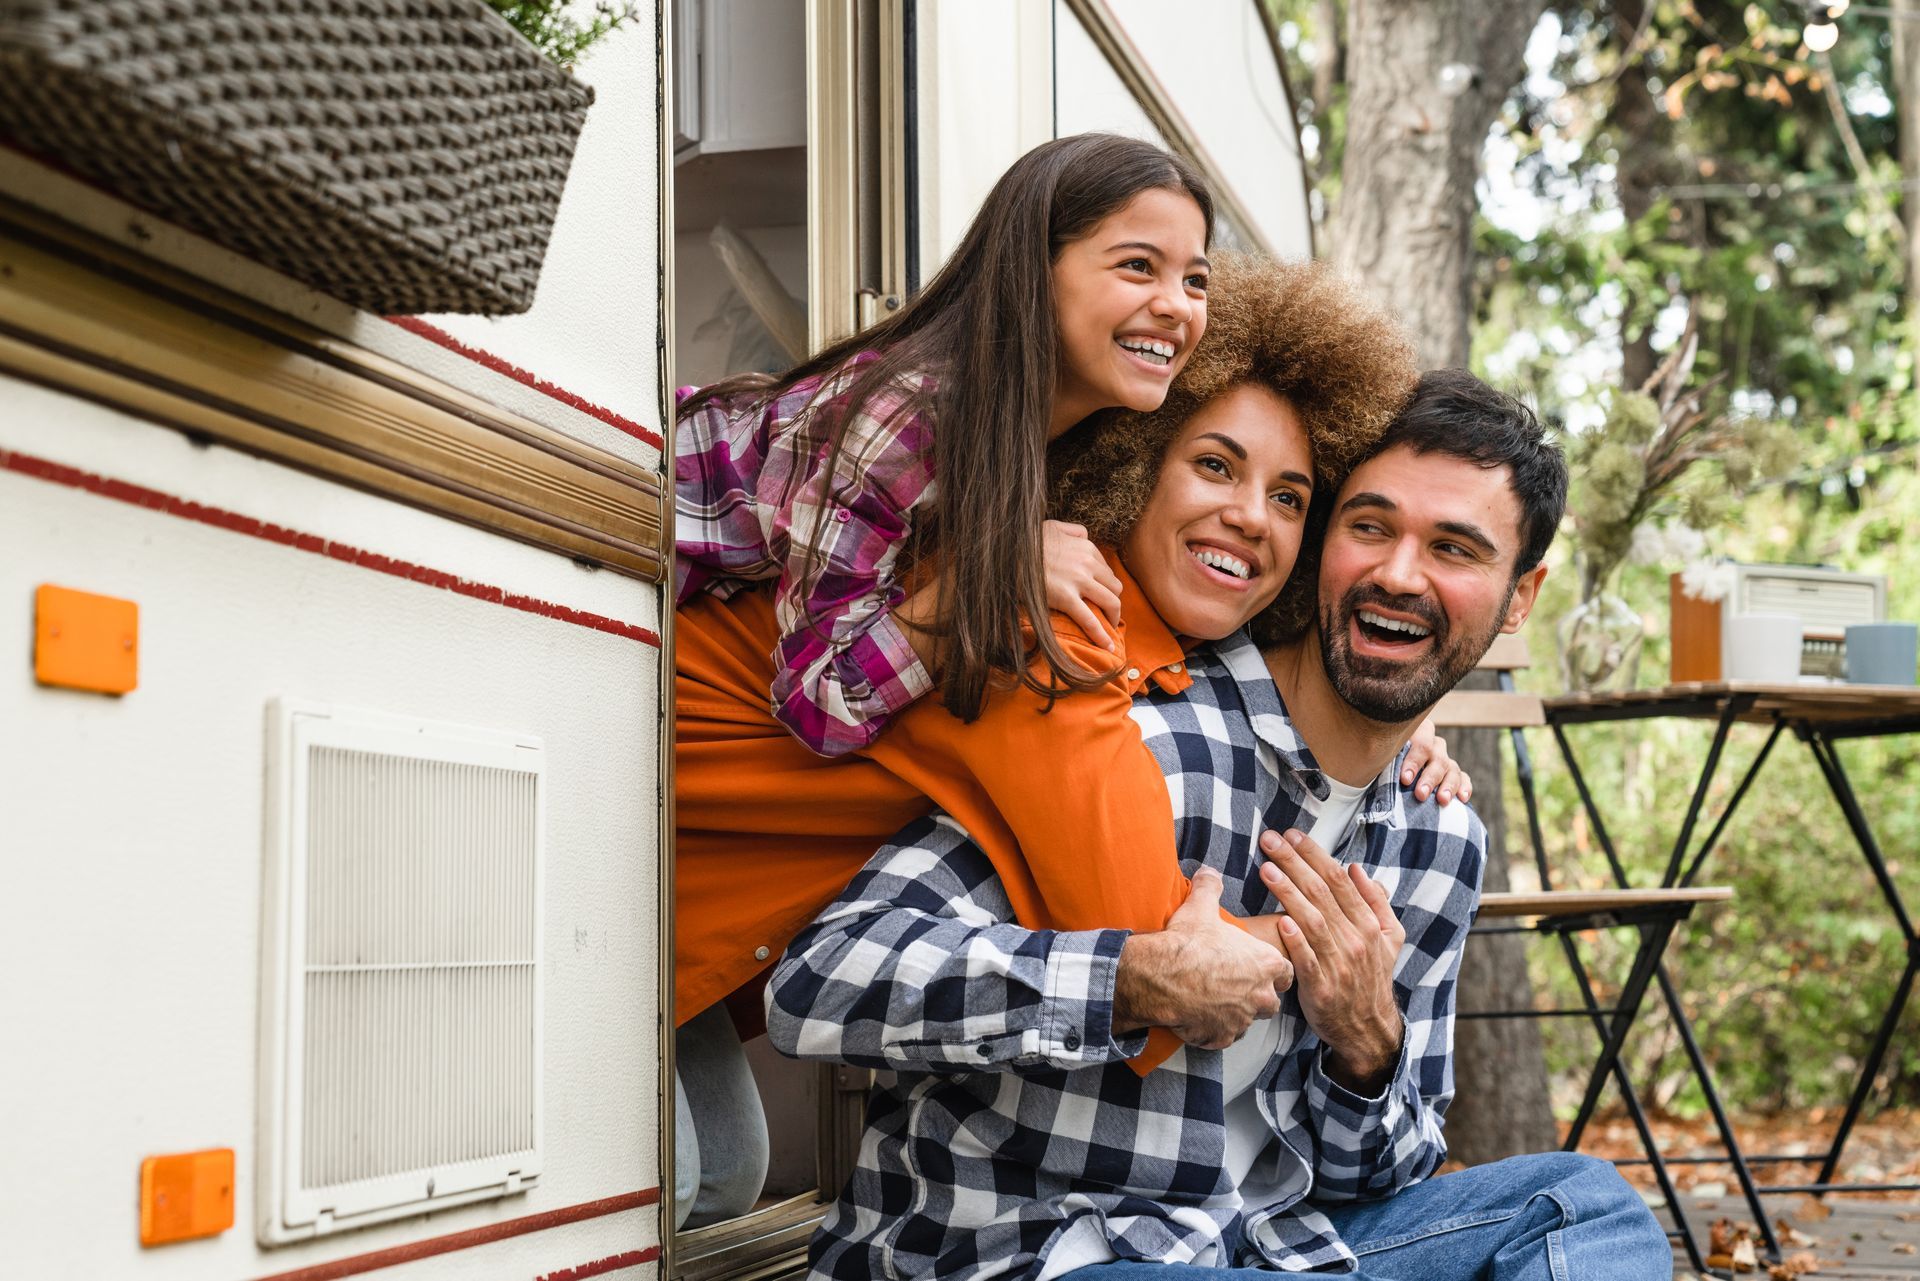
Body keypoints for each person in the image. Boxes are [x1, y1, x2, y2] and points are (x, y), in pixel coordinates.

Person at [766, 370, 1675, 1279]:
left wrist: (1366, 1045)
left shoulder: (1438, 845)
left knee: (1587, 1211)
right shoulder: (1132, 733)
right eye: (1370, 526)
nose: (1399, 573)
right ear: (1322, 540)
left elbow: (1385, 1173)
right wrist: (1131, 980)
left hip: (1261, 1249)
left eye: (1455, 548)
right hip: (1026, 1253)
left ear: (1520, 596)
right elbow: (817, 983)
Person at [674, 244, 1467, 1225]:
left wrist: (1405, 722)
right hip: (615, 860)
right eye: (1215, 464)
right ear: (1134, 467)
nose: (1251, 518)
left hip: (692, 921)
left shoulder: (1156, 647)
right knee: (676, 1177)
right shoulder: (1059, 626)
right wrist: (1343, 966)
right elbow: (1159, 960)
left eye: (1292, 498)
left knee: (718, 1173)